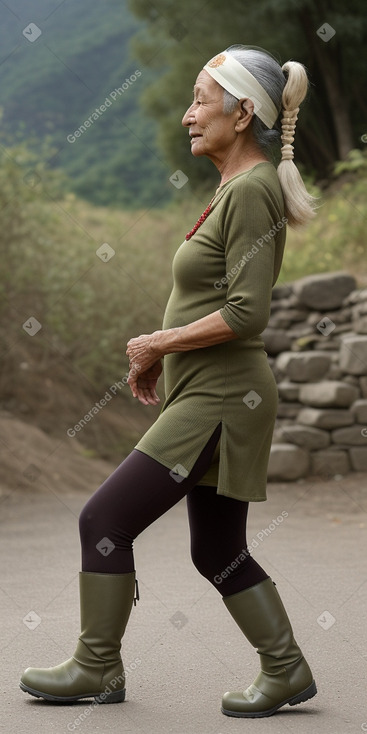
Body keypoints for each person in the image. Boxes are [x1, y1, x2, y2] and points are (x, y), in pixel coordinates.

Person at [20, 44, 318, 718]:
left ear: (242, 113)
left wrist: (156, 341)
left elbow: (246, 311)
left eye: (198, 99)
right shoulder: (236, 190)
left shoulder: (251, 189)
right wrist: (165, 353)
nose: (187, 115)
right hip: (208, 393)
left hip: (221, 397)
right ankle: (286, 669)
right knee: (216, 547)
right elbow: (218, 301)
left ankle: (97, 668)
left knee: (103, 520)